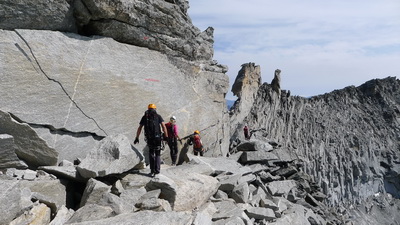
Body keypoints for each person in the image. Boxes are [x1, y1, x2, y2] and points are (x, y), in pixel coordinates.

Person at [134, 103, 168, 177]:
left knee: (151, 153)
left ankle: (152, 170)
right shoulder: (158, 116)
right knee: (158, 153)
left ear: (148, 109)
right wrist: (166, 136)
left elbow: (140, 128)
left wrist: (137, 137)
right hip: (158, 137)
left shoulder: (145, 117)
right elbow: (164, 127)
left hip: (149, 138)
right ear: (155, 109)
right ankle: (157, 170)